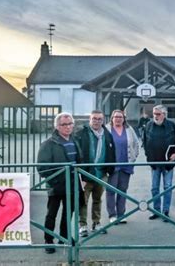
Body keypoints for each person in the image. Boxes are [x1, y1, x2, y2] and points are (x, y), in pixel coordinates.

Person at [37, 112, 83, 254]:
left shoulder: (74, 141)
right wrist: (55, 181)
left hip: (73, 183)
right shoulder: (48, 144)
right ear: (57, 126)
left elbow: (79, 161)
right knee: (52, 213)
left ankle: (64, 237)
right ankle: (48, 240)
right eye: (64, 124)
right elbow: (42, 167)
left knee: (68, 212)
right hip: (56, 185)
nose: (68, 127)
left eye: (70, 124)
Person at [75, 109, 115, 237]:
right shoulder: (81, 133)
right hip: (86, 174)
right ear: (90, 119)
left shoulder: (107, 134)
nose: (97, 121)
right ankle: (82, 226)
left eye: (99, 119)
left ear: (103, 121)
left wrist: (110, 171)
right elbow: (77, 153)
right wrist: (80, 174)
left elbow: (111, 152)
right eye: (94, 119)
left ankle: (96, 223)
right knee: (83, 201)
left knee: (97, 200)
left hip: (101, 174)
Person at [143, 105, 175, 221]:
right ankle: (156, 210)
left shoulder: (172, 126)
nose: (155, 116)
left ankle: (165, 211)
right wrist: (148, 156)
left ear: (164, 114)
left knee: (167, 187)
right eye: (154, 114)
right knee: (154, 188)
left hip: (168, 163)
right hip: (154, 163)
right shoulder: (149, 125)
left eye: (158, 114)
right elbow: (144, 142)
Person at [106, 109, 139, 224]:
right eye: (116, 117)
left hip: (126, 165)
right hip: (112, 166)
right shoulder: (107, 129)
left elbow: (136, 143)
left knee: (122, 190)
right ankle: (112, 215)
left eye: (120, 117)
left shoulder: (129, 130)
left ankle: (121, 214)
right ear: (112, 118)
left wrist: (133, 157)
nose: (118, 119)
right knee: (111, 190)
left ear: (124, 118)